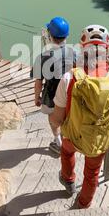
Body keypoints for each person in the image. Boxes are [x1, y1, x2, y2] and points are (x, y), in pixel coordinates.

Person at [50, 25, 109, 209]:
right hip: (100, 141)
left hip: (74, 135)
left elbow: (56, 118)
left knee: (66, 151)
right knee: (92, 172)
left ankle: (68, 180)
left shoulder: (69, 78)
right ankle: (83, 203)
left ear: (82, 49)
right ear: (108, 49)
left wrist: (57, 129)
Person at [31, 17, 74, 155]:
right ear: (67, 35)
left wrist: (37, 98)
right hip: (70, 95)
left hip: (51, 97)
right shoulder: (74, 53)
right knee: (67, 118)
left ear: (50, 35)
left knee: (53, 119)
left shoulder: (43, 57)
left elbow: (38, 82)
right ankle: (66, 140)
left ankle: (58, 141)